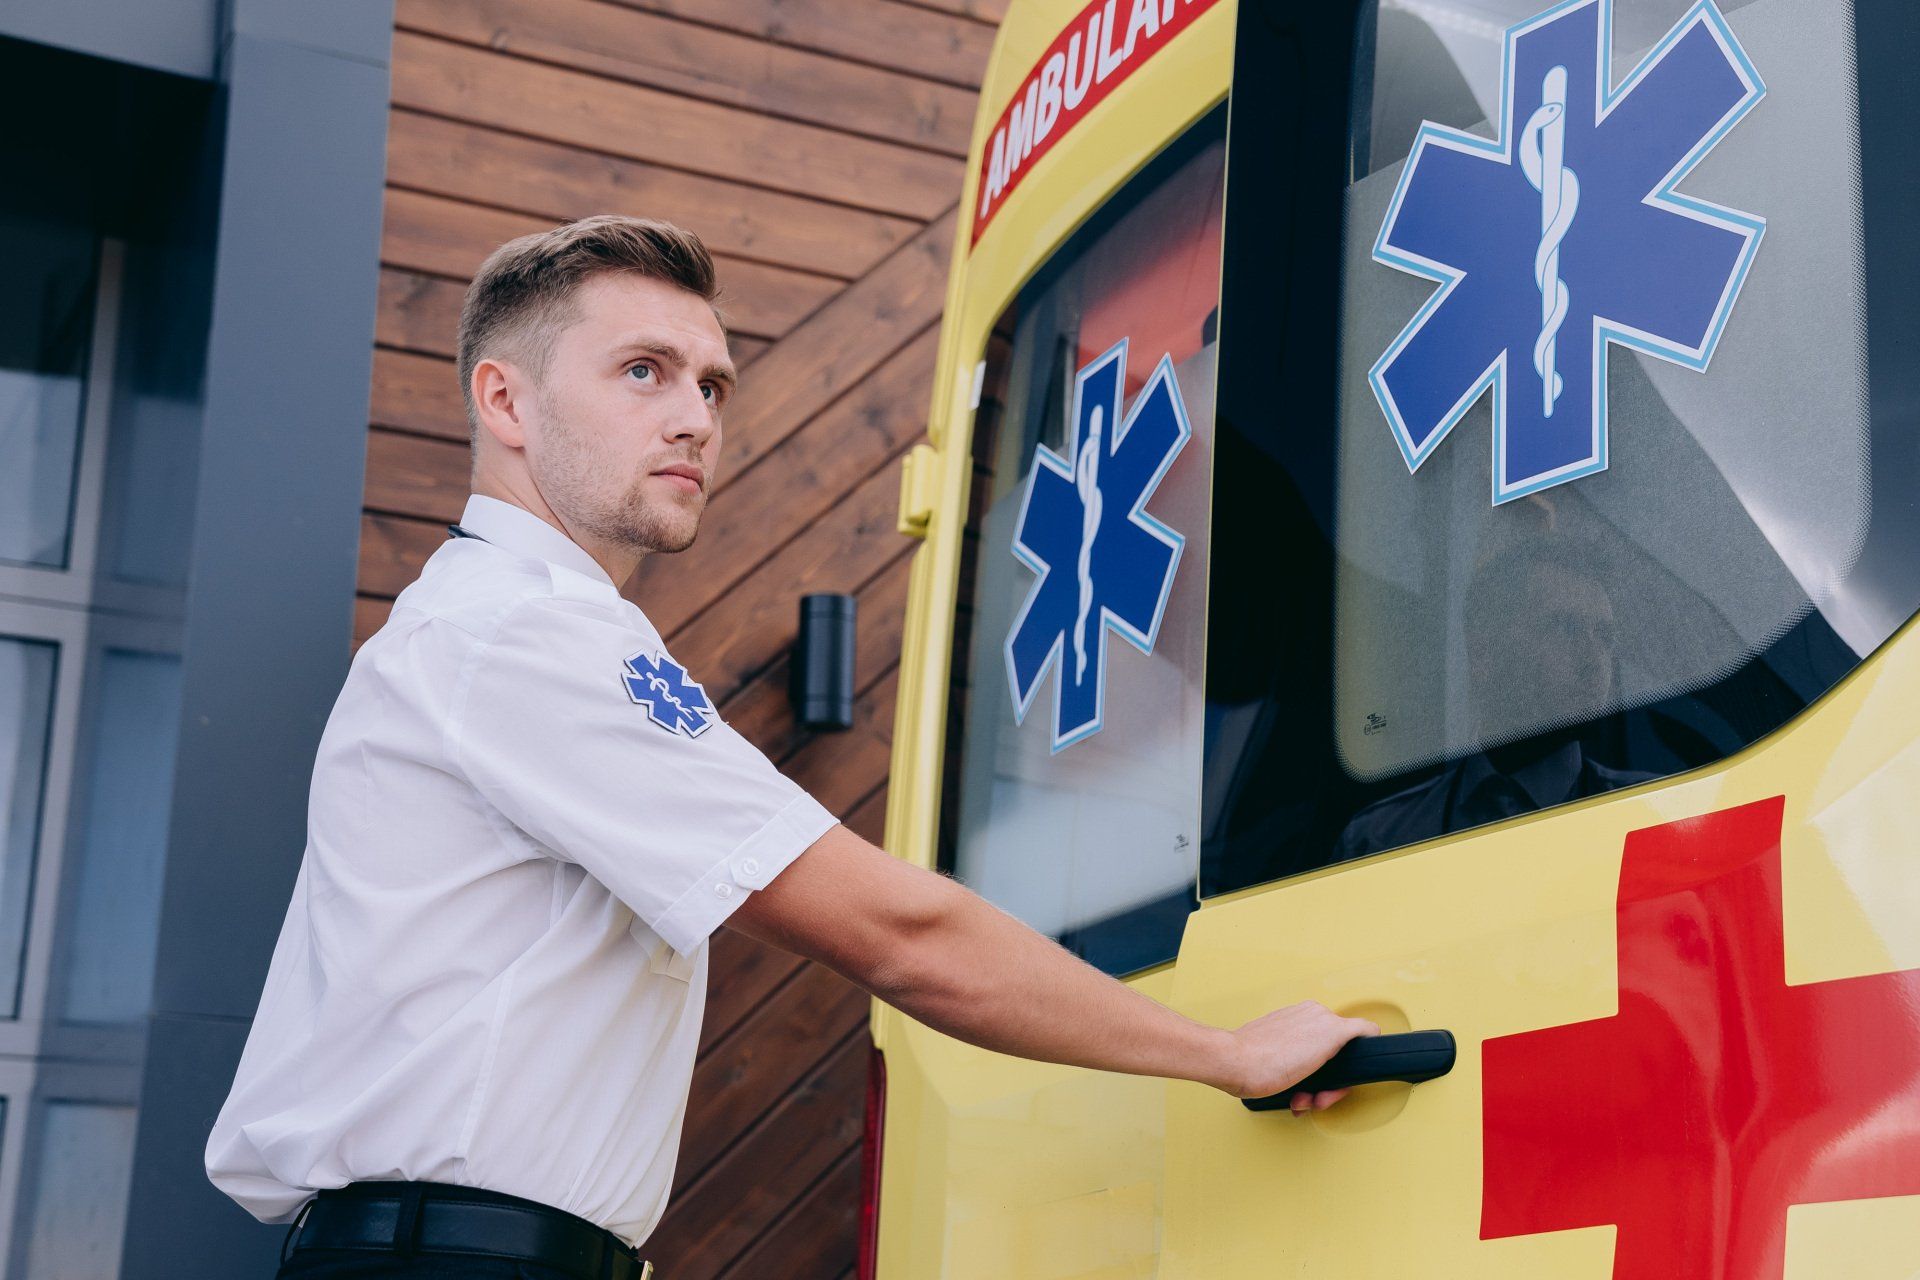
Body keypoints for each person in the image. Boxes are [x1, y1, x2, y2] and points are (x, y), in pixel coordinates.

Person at [205, 215, 1376, 1279]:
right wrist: (1229, 1050)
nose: (695, 416)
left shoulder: (496, 627)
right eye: (642, 371)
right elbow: (902, 936)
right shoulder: (524, 633)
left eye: (713, 383)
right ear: (504, 403)